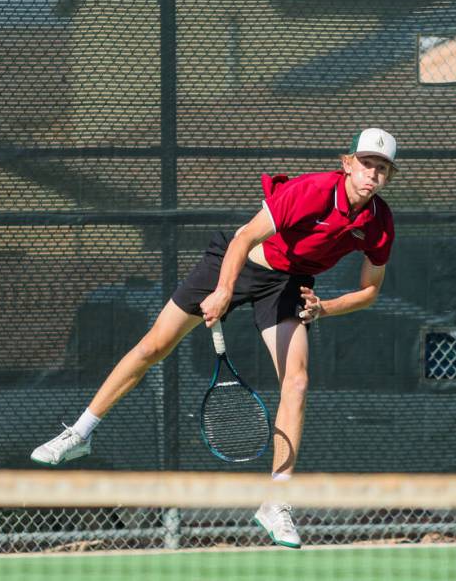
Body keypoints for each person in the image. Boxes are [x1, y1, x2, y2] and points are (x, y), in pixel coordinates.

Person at [30, 127, 399, 549]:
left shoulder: (379, 223)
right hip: (239, 262)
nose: (373, 174)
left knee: (296, 381)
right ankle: (80, 432)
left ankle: (276, 502)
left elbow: (370, 291)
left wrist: (325, 307)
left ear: (388, 176)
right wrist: (224, 290)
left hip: (289, 286)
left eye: (382, 168)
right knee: (155, 345)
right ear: (348, 163)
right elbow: (244, 238)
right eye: (367, 163)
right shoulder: (311, 191)